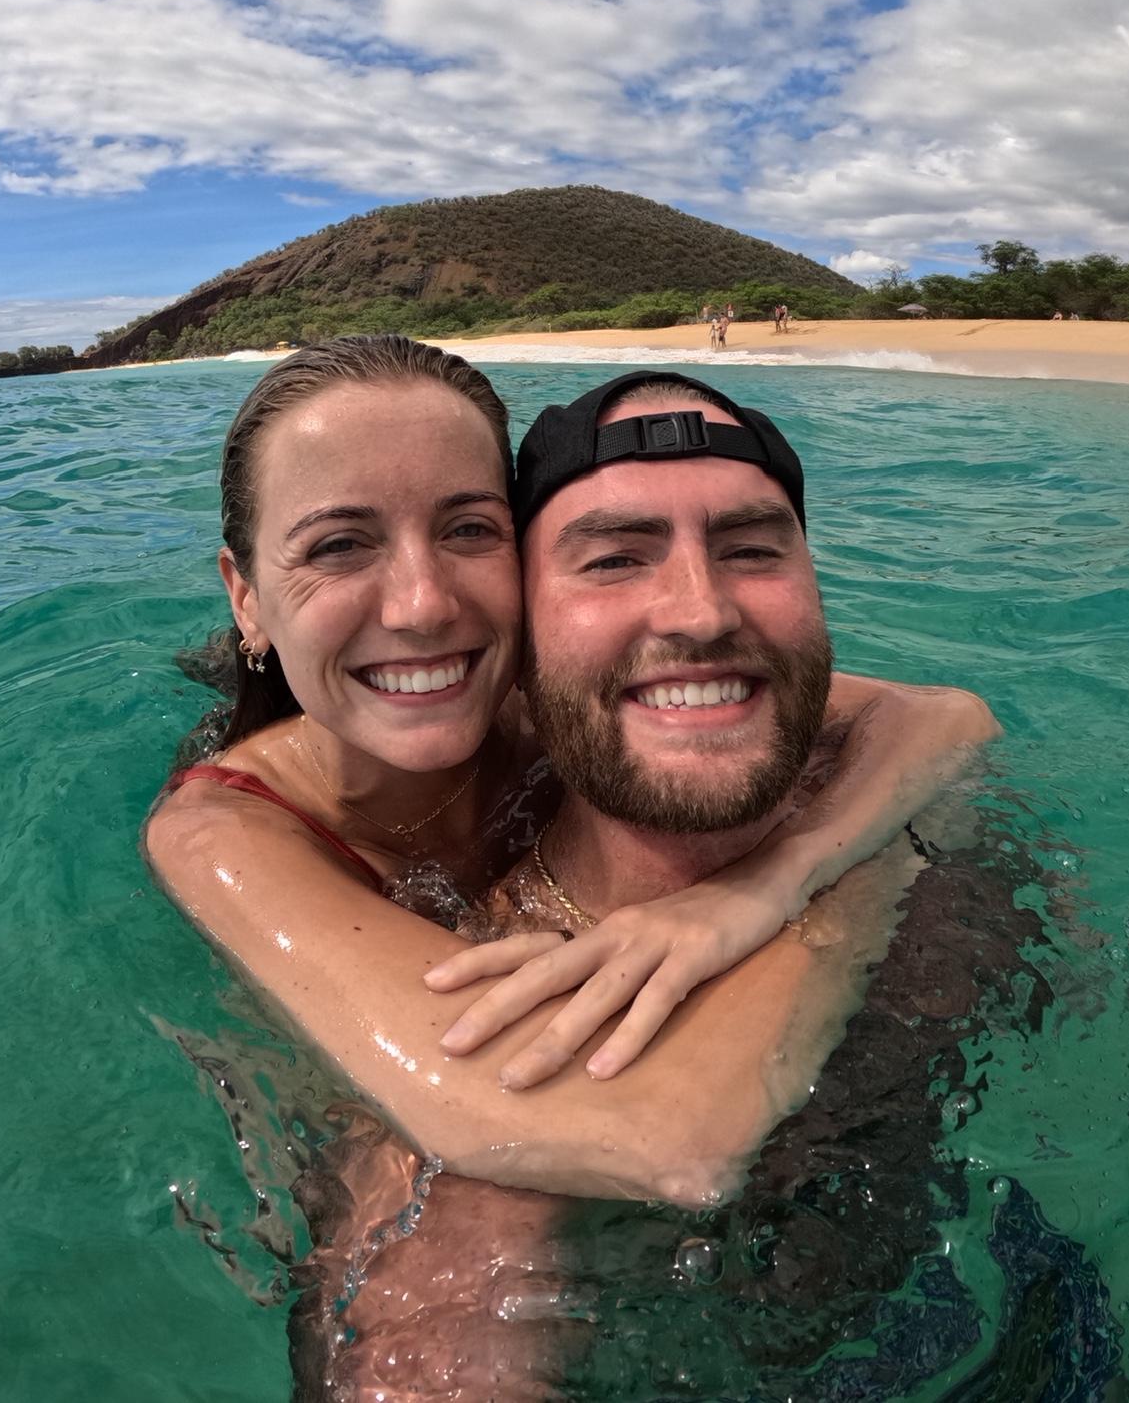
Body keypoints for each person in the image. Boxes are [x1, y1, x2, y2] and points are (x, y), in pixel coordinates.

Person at [267, 372, 1121, 1397]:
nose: (702, 611)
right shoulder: (502, 1021)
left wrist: (796, 874)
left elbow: (950, 723)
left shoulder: (911, 793)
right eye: (613, 559)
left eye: (752, 549)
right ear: (521, 641)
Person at [147, 340, 985, 1184]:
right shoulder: (222, 835)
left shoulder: (535, 698)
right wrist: (877, 873)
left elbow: (940, 718)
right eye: (338, 546)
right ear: (246, 598)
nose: (424, 605)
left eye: (468, 530)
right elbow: (638, 1142)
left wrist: (774, 881)